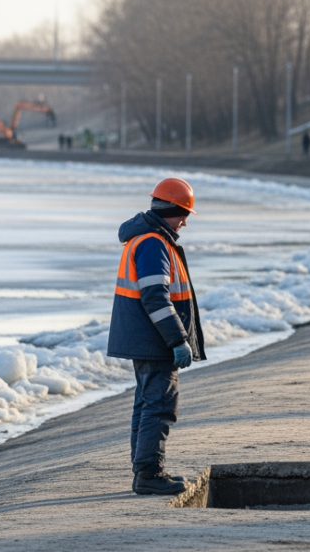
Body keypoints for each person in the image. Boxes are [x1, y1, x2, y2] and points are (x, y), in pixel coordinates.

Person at [107, 178, 207, 496]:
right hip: (155, 340)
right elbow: (155, 297)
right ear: (173, 210)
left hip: (146, 338)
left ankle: (145, 470)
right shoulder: (153, 243)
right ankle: (149, 473)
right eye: (184, 214)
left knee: (147, 403)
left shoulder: (147, 239)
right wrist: (178, 340)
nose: (185, 222)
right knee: (159, 405)